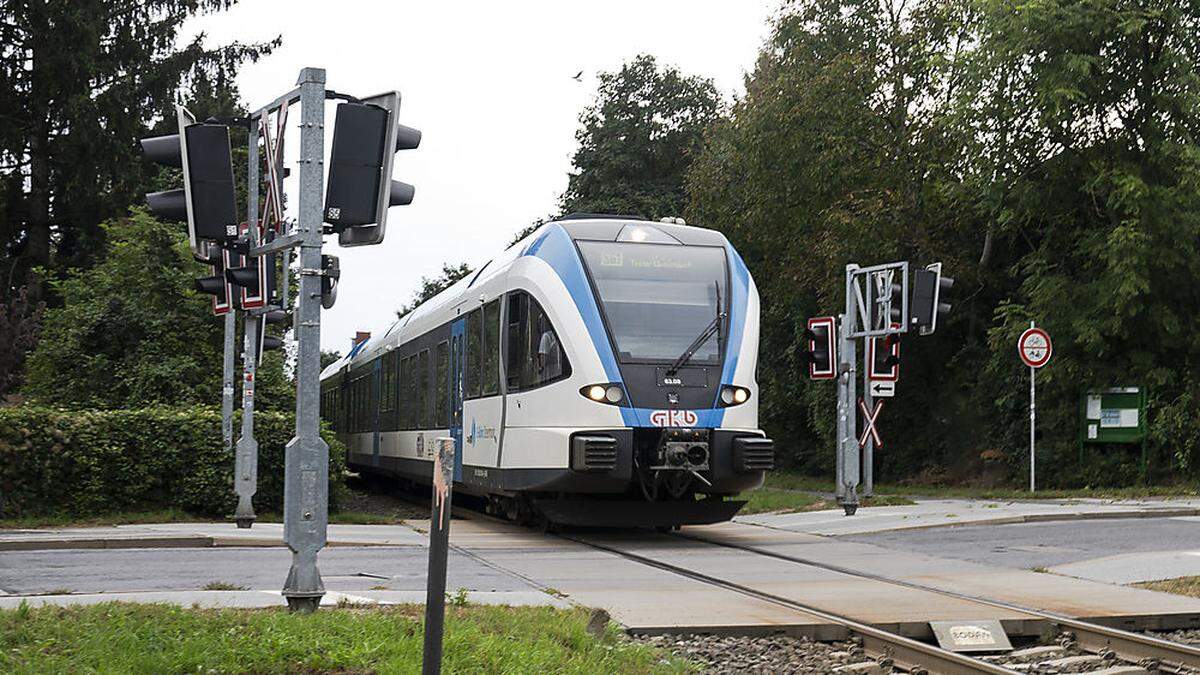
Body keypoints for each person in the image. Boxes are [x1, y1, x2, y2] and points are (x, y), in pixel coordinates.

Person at [537, 315, 562, 380]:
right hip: (555, 373)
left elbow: (543, 360)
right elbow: (543, 360)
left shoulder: (547, 337)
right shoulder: (548, 336)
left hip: (555, 373)